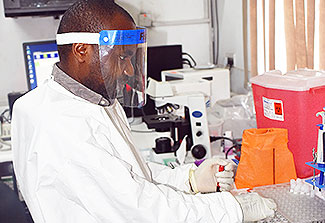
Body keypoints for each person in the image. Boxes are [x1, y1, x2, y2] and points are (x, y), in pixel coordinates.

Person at [11, 0, 276, 222]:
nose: (128, 70)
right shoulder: (62, 126)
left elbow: (130, 175)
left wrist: (190, 178)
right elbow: (143, 210)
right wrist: (233, 209)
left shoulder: (91, 101)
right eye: (122, 57)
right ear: (82, 50)